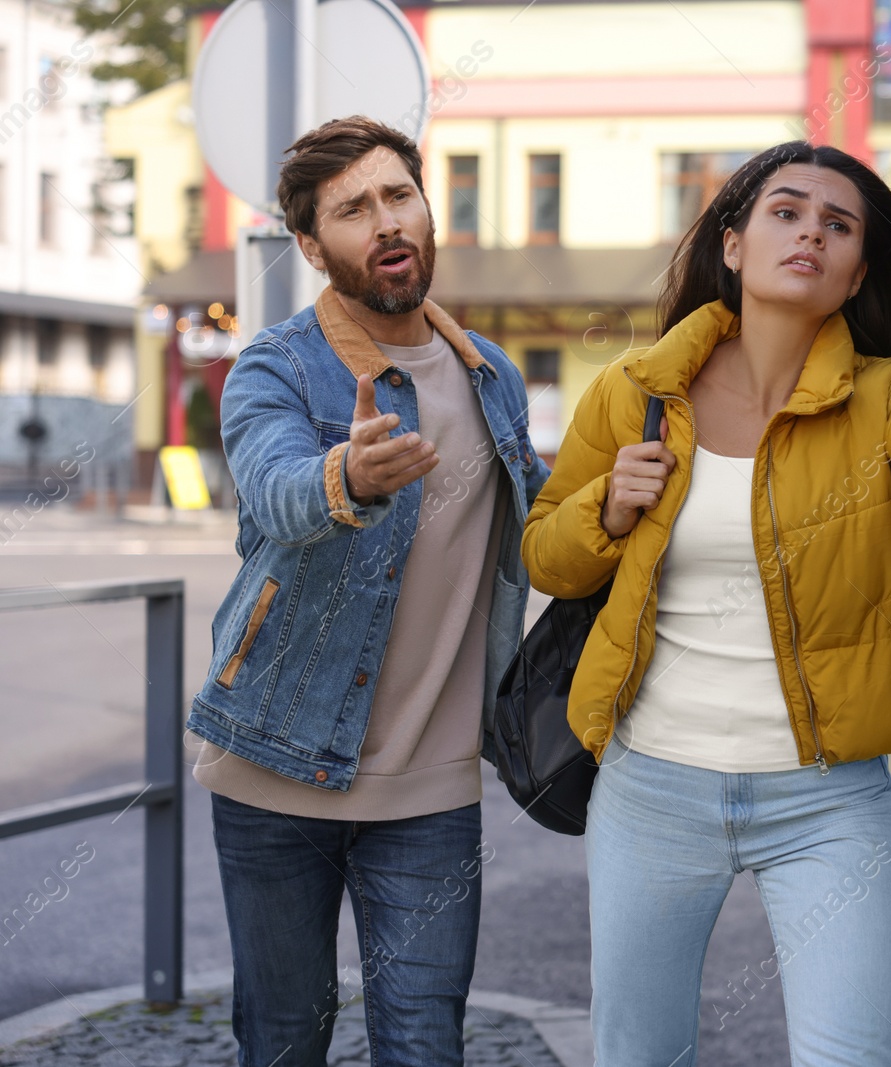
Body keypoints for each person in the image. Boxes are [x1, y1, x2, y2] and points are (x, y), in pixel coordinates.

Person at [522, 139, 891, 1066]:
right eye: (786, 212)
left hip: (829, 800)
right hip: (653, 790)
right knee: (639, 1052)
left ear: (855, 274)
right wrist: (606, 506)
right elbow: (546, 557)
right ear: (733, 244)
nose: (811, 234)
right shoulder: (634, 395)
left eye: (839, 226)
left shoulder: (881, 397)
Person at [184, 116, 550, 1067]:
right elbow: (276, 489)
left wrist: (624, 504)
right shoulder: (277, 365)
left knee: (427, 1043)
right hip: (276, 766)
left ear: (428, 209)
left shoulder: (490, 375)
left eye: (400, 196)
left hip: (430, 791)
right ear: (310, 244)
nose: (387, 222)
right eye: (353, 210)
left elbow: (544, 535)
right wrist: (347, 479)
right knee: (282, 1037)